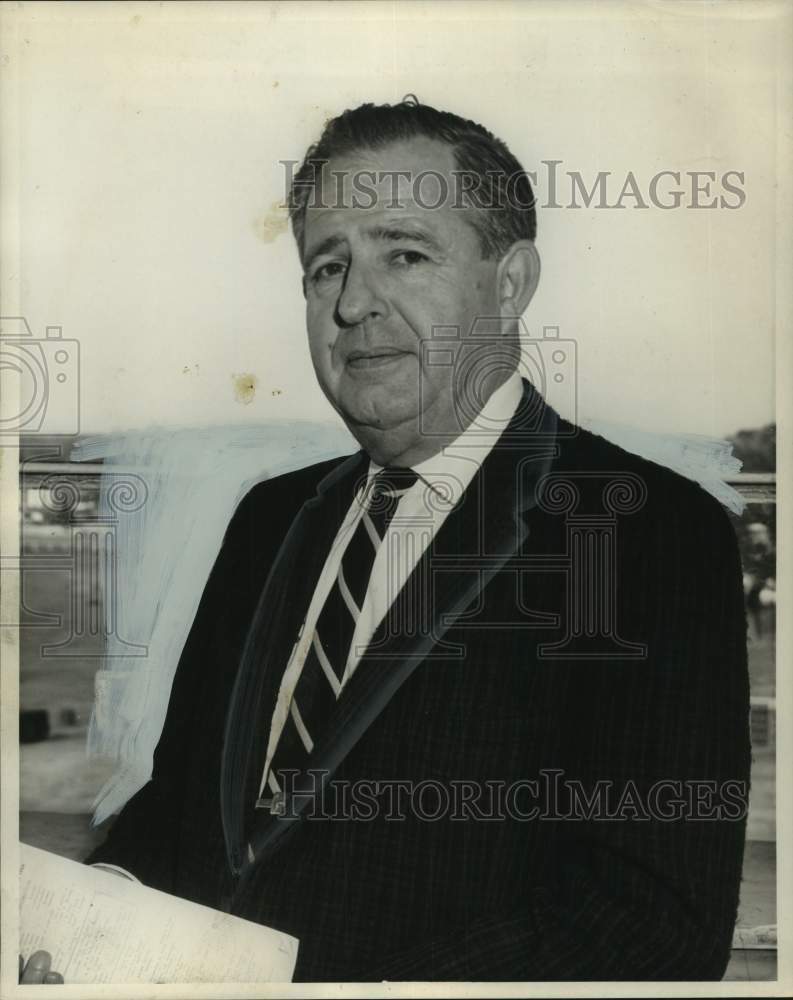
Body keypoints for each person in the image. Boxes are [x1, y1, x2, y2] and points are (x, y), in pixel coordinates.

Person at [28, 99, 751, 982]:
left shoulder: (642, 530)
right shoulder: (271, 517)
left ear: (511, 281)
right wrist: (96, 921)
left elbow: (650, 920)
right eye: (324, 267)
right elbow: (186, 808)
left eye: (403, 254)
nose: (353, 304)